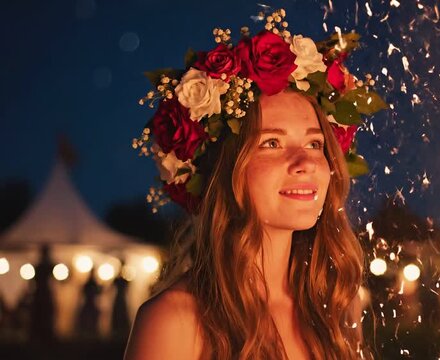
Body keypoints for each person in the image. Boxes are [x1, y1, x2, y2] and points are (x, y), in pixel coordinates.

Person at [124, 8, 386, 360]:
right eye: (272, 143)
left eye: (314, 144)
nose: (306, 162)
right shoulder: (176, 321)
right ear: (224, 169)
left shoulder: (335, 310)